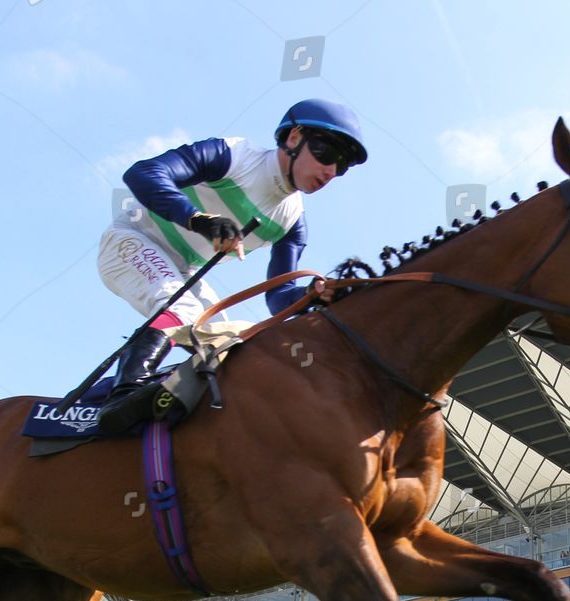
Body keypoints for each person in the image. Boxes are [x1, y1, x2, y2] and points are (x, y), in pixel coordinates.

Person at [95, 98, 369, 433]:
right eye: (327, 154)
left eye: (342, 167)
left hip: (182, 270)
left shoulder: (294, 221)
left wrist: (312, 294)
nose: (331, 172)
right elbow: (142, 173)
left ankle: (160, 407)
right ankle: (124, 393)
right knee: (182, 312)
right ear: (294, 138)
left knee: (230, 343)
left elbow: (278, 297)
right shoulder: (236, 155)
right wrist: (198, 220)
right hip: (133, 239)